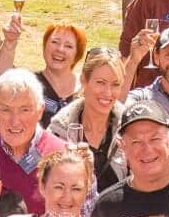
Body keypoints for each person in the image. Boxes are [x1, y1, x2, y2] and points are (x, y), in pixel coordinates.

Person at [0, 69, 68, 217]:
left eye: (25, 110)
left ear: (40, 111)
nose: (15, 121)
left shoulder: (64, 156)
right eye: (5, 109)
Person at [47, 48, 128, 191]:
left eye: (115, 85)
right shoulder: (58, 132)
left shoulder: (129, 129)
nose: (108, 92)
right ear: (84, 80)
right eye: (100, 82)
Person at [0, 21, 88, 120]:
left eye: (68, 46)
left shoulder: (86, 88)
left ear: (77, 54)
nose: (60, 49)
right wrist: (9, 42)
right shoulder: (29, 83)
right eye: (55, 42)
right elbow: (1, 76)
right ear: (44, 46)